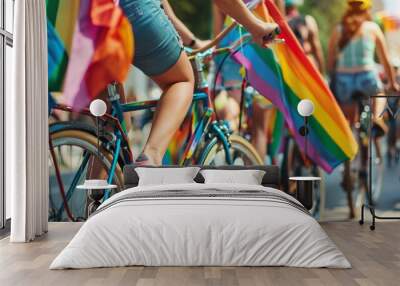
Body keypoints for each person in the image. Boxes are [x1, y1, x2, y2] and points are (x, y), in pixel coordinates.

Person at [118, 0, 279, 165]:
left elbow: (165, 8)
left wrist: (193, 42)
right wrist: (255, 26)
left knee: (112, 126)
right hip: (133, 11)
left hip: (94, 20)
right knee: (181, 80)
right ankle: (151, 155)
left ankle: (100, 184)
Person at [327, 0, 399, 218]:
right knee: (378, 92)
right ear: (367, 9)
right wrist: (393, 84)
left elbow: (330, 61)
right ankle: (376, 118)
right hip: (366, 77)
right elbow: (385, 62)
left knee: (350, 124)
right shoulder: (372, 28)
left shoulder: (338, 29)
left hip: (344, 81)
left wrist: (336, 78)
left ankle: (348, 161)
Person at [212, 0, 284, 162]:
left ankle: (231, 131)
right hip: (263, 44)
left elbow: (217, 29)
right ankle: (254, 178)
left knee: (234, 100)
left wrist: (214, 59)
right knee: (259, 126)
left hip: (231, 42)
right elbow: (280, 21)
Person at [285, 0, 324, 73]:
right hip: (306, 67)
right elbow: (317, 49)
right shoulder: (308, 20)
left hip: (287, 68)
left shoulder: (278, 23)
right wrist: (322, 73)